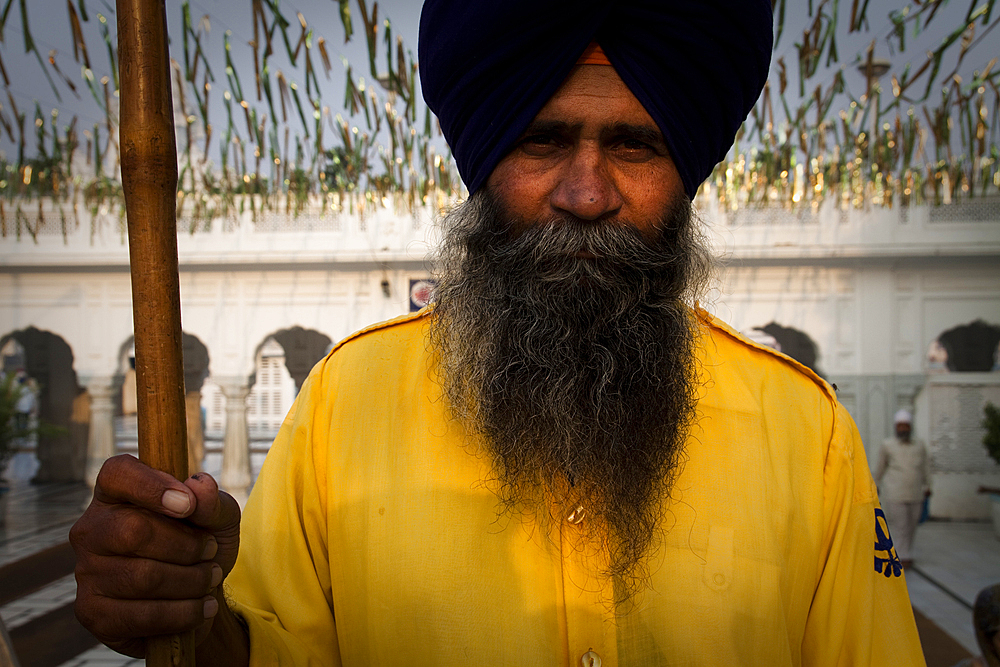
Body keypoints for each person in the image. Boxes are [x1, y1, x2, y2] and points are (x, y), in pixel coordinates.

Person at [69, 1, 927, 664]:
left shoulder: (803, 431)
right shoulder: (346, 403)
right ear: (483, 162)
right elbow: (275, 654)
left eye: (634, 146)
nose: (585, 192)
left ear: (687, 169)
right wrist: (188, 609)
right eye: (543, 139)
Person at [873, 409, 932, 568]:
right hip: (895, 493)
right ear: (895, 427)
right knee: (901, 526)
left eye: (905, 426)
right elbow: (880, 467)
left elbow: (926, 466)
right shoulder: (887, 445)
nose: (903, 429)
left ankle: (907, 552)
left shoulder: (919, 445)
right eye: (900, 426)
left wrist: (928, 485)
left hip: (915, 493)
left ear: (910, 427)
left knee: (912, 525)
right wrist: (875, 484)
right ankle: (901, 556)